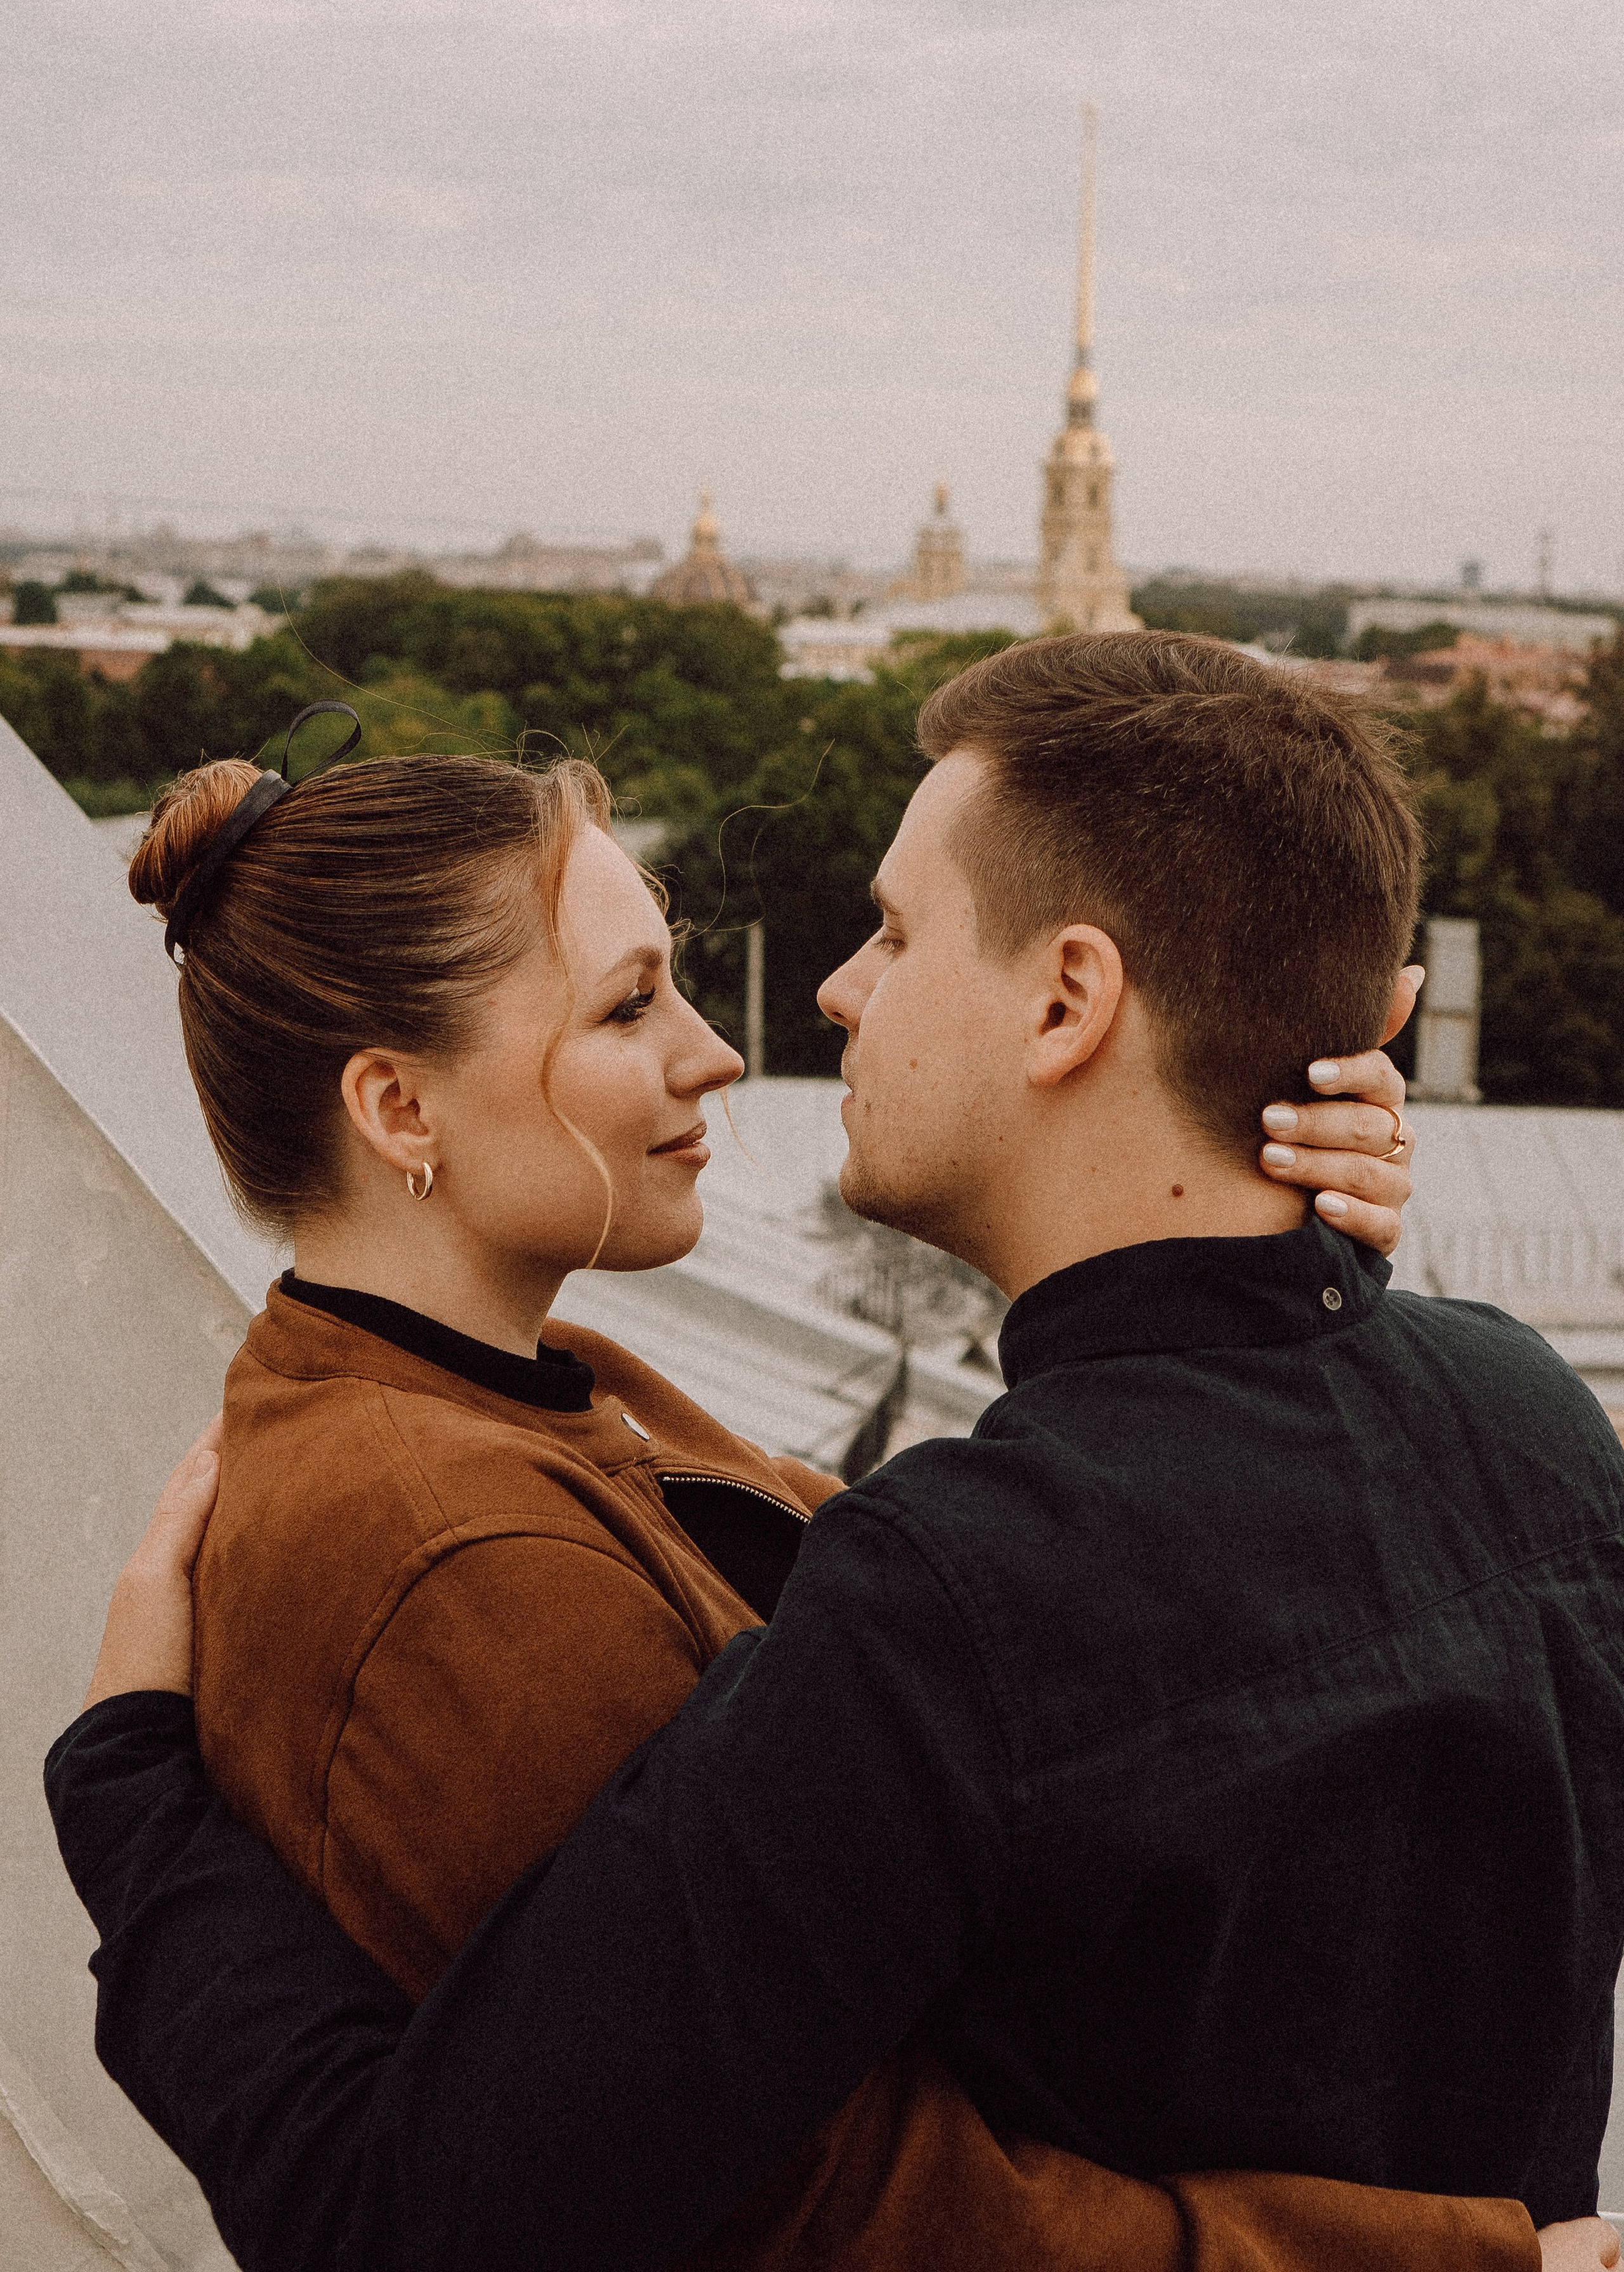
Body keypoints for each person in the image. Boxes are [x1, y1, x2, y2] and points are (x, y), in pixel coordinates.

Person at [46, 641, 1624, 2272]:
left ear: (1068, 1000)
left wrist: (131, 1814)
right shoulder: (1536, 1417)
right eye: (629, 999)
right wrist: (1293, 1259)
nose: (806, 1006)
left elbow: (436, 2219)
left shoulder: (920, 1582)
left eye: (891, 930)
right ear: (394, 1108)